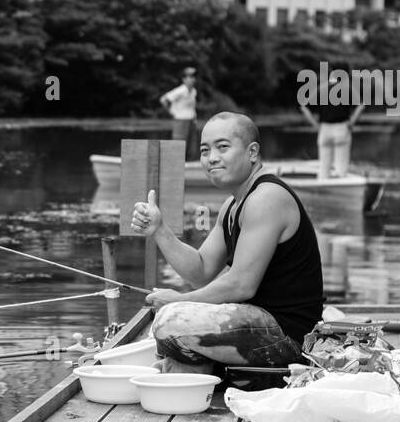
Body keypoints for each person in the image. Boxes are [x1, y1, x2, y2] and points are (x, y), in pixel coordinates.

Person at [130, 111, 325, 376]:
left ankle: (202, 368)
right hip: (253, 324)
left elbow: (241, 284)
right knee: (171, 322)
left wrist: (180, 301)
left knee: (170, 321)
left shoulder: (266, 198)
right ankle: (203, 369)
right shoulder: (232, 205)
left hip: (290, 339)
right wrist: (160, 230)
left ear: (252, 152)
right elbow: (200, 271)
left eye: (222, 147)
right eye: (204, 150)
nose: (211, 158)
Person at [297, 97, 366, 180]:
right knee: (341, 167)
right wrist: (352, 122)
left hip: (325, 128)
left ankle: (322, 187)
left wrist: (315, 125)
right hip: (342, 128)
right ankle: (340, 186)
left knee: (324, 168)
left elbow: (303, 107)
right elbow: (361, 106)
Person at [159, 67, 199, 162]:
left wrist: (195, 118)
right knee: (178, 145)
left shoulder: (193, 91)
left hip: (191, 120)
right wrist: (171, 112)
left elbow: (192, 107)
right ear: (184, 79)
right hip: (180, 120)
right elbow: (163, 99)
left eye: (194, 77)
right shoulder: (180, 90)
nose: (193, 79)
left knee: (191, 146)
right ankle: (174, 165)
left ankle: (188, 167)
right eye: (190, 77)